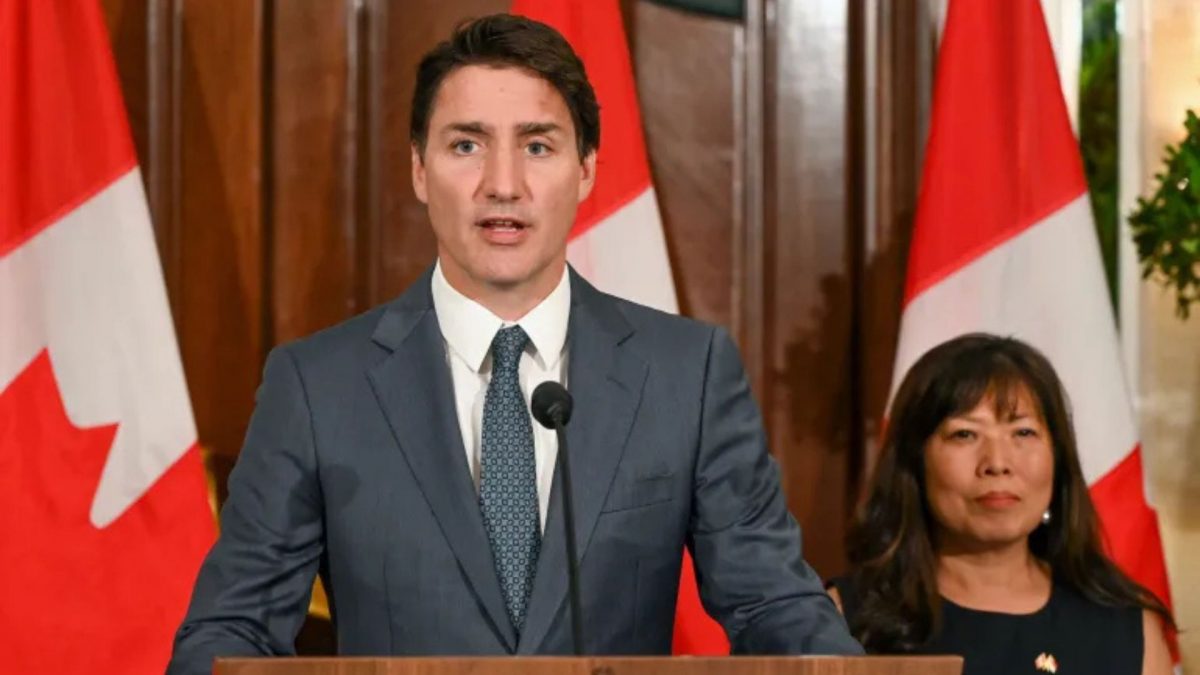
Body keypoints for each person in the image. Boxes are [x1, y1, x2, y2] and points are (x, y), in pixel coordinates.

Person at [167, 14, 860, 673]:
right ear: (419, 169)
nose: (504, 185)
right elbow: (234, 631)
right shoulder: (317, 386)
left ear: (585, 169)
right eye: (466, 144)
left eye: (537, 145)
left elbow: (774, 603)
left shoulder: (687, 373)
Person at [828, 333, 1174, 675]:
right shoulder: (841, 619)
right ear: (915, 463)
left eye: (1023, 433)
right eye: (965, 434)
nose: (997, 462)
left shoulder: (1125, 630)